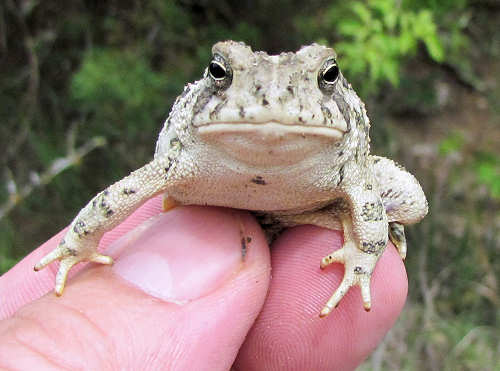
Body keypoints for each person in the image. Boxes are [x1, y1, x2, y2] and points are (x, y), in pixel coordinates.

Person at [0, 195, 407, 370]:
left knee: (408, 200)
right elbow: (136, 185)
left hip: (313, 203)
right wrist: (78, 240)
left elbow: (363, 187)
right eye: (220, 73)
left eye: (327, 78)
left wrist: (365, 253)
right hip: (229, 212)